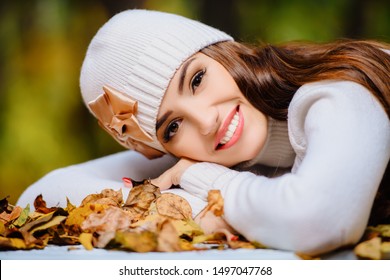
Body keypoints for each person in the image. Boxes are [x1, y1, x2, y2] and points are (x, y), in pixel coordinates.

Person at [17, 9, 390, 256]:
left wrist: (202, 178)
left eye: (197, 79)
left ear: (223, 52)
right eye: (173, 127)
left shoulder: (336, 93)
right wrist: (201, 209)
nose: (206, 120)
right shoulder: (231, 156)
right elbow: (45, 190)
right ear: (161, 149)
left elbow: (319, 221)